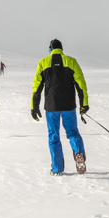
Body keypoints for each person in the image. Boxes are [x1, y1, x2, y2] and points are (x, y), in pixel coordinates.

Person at [31, 39, 89, 176]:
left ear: (51, 49)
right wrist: (84, 104)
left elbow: (37, 87)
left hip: (51, 107)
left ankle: (57, 169)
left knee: (54, 136)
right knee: (73, 132)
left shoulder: (43, 63)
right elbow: (81, 85)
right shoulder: (71, 61)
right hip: (69, 106)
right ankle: (78, 152)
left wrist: (34, 106)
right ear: (61, 49)